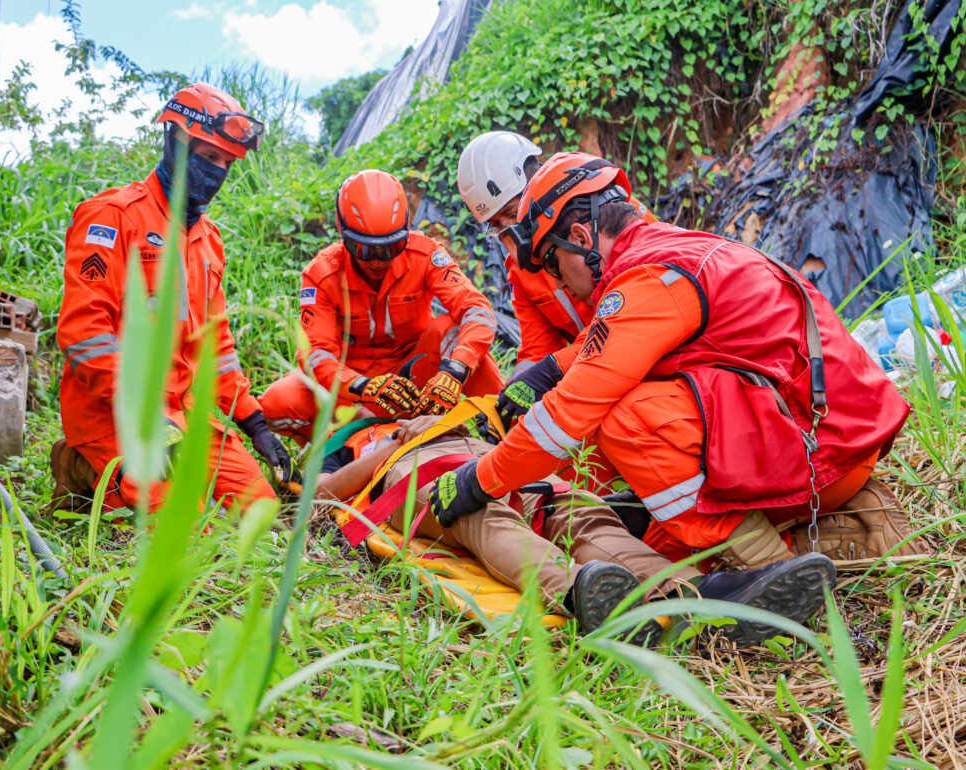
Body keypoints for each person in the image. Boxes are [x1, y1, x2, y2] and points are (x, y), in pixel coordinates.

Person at [429, 151, 925, 570]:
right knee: (657, 530)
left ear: (580, 238)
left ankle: (764, 565)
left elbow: (568, 416)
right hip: (832, 435)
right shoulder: (668, 251)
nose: (557, 282)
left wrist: (480, 479)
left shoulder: (646, 280)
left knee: (625, 421)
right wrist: (548, 369)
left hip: (821, 454)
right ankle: (851, 525)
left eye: (555, 265)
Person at [317, 413, 838, 646]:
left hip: (483, 470)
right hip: (461, 471)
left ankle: (664, 595)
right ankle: (624, 595)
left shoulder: (426, 425)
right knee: (521, 517)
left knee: (568, 513)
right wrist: (394, 437)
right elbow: (324, 491)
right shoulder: (380, 435)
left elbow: (326, 491)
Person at [53, 82, 294, 511]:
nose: (218, 171)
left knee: (261, 508)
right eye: (208, 157)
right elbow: (83, 334)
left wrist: (254, 423)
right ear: (176, 141)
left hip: (180, 415)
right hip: (113, 414)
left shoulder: (208, 240)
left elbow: (215, 345)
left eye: (226, 162)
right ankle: (84, 469)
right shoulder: (113, 217)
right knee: (183, 516)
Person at [260, 169, 504, 439]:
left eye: (389, 248)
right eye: (364, 249)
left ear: (405, 233)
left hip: (414, 378)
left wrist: (455, 371)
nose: (377, 260)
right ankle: (333, 447)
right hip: (350, 391)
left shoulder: (425, 254)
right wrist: (362, 386)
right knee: (276, 404)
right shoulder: (320, 274)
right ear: (344, 235)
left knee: (454, 328)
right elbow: (316, 354)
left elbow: (476, 308)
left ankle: (504, 428)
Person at [457, 132, 656, 379]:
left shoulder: (610, 215)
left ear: (537, 181)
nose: (511, 230)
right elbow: (536, 350)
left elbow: (635, 314)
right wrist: (514, 392)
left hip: (650, 359)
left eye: (512, 213)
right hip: (596, 372)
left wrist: (553, 368)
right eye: (497, 225)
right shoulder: (521, 271)